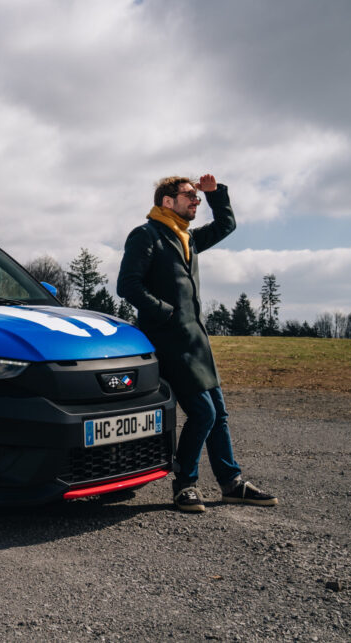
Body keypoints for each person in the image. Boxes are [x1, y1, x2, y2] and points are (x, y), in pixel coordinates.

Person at [117, 174, 278, 513]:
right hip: (169, 341)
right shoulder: (146, 235)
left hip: (197, 342)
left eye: (197, 196)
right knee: (203, 413)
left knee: (219, 415)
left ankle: (232, 484)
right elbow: (127, 285)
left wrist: (215, 193)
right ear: (167, 201)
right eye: (189, 194)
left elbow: (226, 225)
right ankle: (185, 485)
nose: (195, 200)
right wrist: (166, 312)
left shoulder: (186, 236)